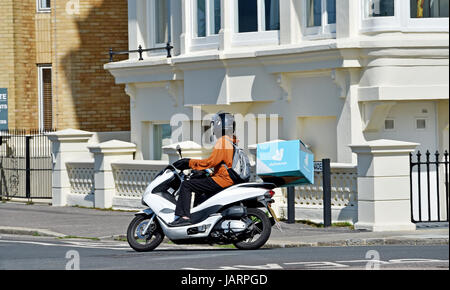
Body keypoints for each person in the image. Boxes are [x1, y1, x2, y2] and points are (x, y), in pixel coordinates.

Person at [169, 112, 237, 227]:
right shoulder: (231, 140)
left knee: (187, 185)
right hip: (226, 178)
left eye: (214, 124)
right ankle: (200, 217)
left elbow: (211, 162)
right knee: (200, 184)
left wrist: (188, 162)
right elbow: (221, 163)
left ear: (219, 125)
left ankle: (184, 217)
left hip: (222, 179)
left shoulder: (223, 141)